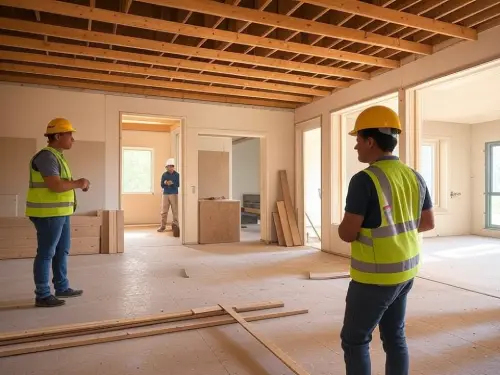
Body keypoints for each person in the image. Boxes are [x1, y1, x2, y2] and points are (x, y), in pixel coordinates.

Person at [337, 105, 435, 375]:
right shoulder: (415, 176)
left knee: (355, 339)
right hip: (406, 272)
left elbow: (347, 233)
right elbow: (427, 222)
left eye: (357, 140)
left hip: (374, 278)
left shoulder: (364, 180)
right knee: (395, 336)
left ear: (370, 141)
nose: (356, 147)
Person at [26, 118, 90, 308]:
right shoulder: (46, 157)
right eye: (70, 134)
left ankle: (61, 286)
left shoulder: (58, 156)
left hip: (60, 212)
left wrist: (78, 185)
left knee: (62, 250)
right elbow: (55, 185)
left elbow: (62, 184)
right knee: (46, 253)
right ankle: (43, 294)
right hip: (47, 214)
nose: (73, 139)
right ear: (58, 135)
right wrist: (79, 183)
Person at [158, 158, 179, 233]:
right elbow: (161, 185)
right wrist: (166, 183)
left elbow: (179, 184)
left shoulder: (177, 175)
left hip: (174, 194)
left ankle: (176, 226)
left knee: (175, 211)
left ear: (172, 167)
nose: (167, 168)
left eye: (169, 167)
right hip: (166, 194)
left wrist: (172, 183)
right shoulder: (164, 174)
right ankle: (162, 226)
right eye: (166, 167)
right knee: (164, 211)